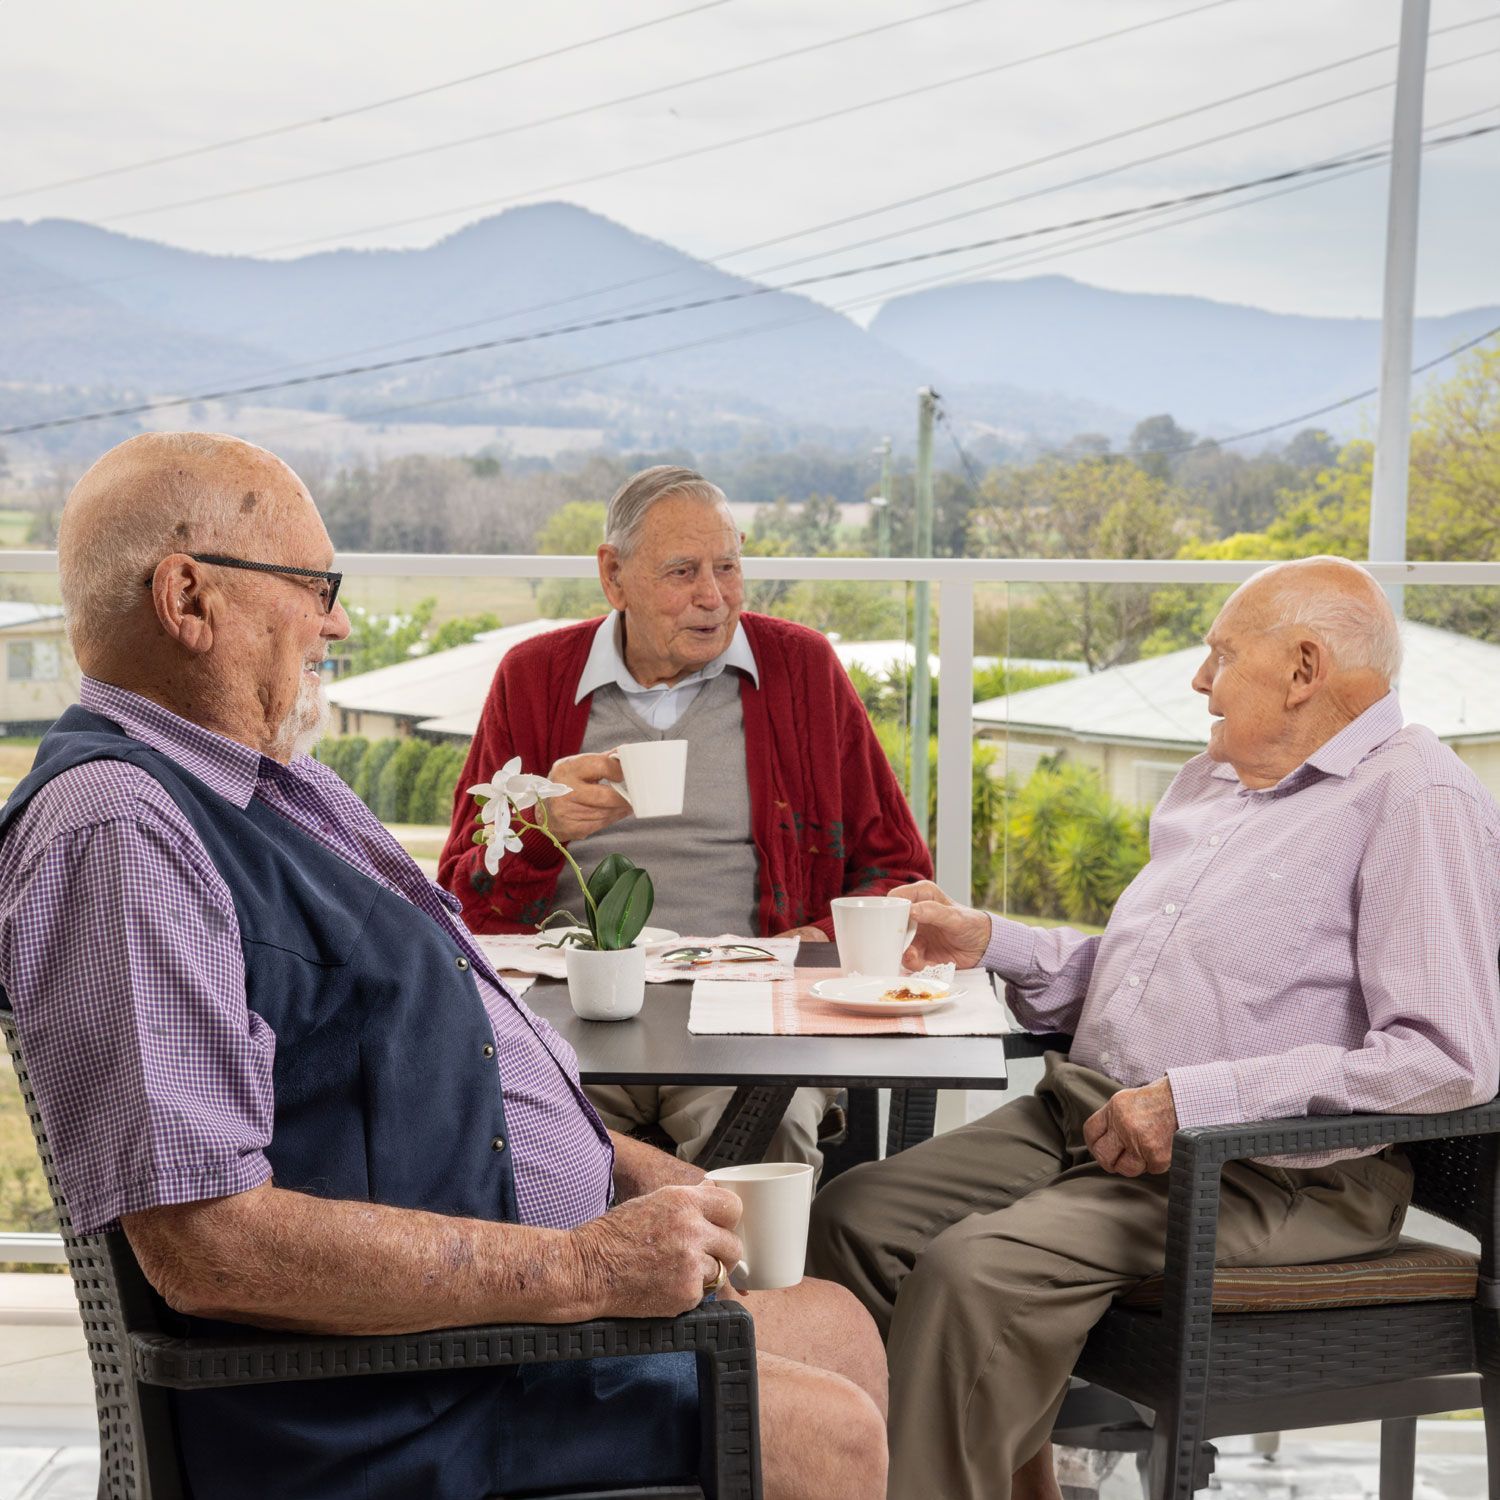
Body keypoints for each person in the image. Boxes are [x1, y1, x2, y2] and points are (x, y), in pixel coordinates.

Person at [0, 433, 888, 1500]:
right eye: (313, 586)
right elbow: (208, 1245)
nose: (334, 620)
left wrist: (624, 1167)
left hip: (486, 1328)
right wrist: (582, 1270)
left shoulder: (278, 784)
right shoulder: (120, 831)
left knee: (837, 1329)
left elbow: (432, 1048)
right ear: (189, 599)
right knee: (827, 1429)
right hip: (393, 1397)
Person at [807, 556, 1500, 1500]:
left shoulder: (1416, 796)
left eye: (1220, 655)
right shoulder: (1217, 782)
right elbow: (1151, 977)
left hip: (1270, 1171)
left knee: (974, 1274)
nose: (1199, 680)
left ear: (1305, 669)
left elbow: (1444, 1061)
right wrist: (989, 941)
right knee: (854, 1219)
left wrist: (1197, 1100)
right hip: (1096, 1115)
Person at [438, 464, 931, 1168]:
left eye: (727, 567)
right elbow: (458, 899)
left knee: (769, 1133)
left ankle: (739, 1284)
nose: (713, 597)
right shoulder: (534, 677)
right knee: (506, 1137)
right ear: (613, 576)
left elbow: (898, 871)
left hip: (744, 1011)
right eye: (681, 572)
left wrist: (815, 936)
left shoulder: (803, 672)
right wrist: (540, 835)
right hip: (575, 1010)